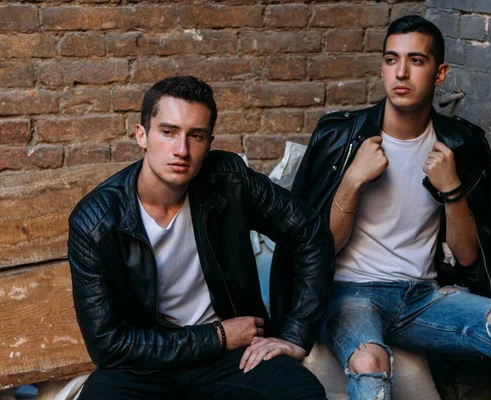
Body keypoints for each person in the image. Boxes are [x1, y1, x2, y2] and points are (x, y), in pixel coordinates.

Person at [271, 15, 491, 400]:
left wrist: (451, 189)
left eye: (416, 61)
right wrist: (351, 182)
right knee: (370, 362)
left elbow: (469, 258)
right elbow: (318, 249)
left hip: (422, 298)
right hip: (350, 294)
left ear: (440, 73)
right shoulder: (340, 136)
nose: (401, 72)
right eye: (391, 59)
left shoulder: (461, 144)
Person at [68, 76, 334, 399]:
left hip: (232, 359)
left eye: (195, 136)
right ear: (142, 135)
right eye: (168, 132)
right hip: (144, 367)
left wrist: (295, 334)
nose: (182, 150)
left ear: (208, 143)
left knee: (303, 393)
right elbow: (108, 346)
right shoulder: (95, 221)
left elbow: (310, 232)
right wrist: (218, 336)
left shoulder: (230, 180)